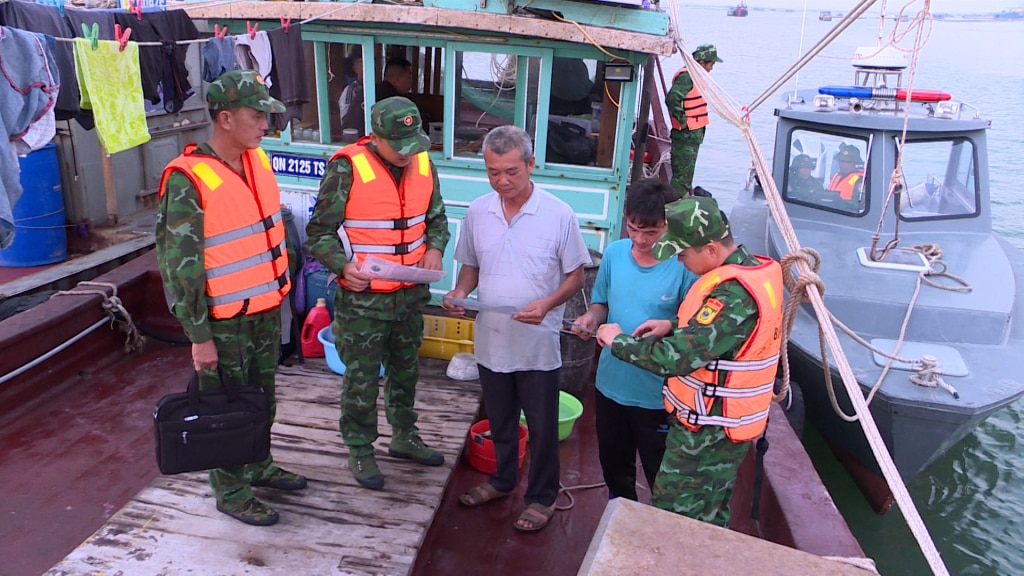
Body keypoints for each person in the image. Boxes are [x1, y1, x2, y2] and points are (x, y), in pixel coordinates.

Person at [155, 70, 307, 527]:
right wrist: (199, 337)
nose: (266, 124)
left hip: (263, 310)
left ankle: (258, 464)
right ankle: (232, 491)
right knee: (226, 407)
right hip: (222, 322)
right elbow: (179, 267)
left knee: (261, 400)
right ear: (224, 118)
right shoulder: (187, 179)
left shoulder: (256, 160)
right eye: (256, 115)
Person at [595, 196, 783, 528]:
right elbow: (719, 340)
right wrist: (672, 325)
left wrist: (616, 340)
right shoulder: (751, 270)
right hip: (724, 428)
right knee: (711, 512)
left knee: (675, 519)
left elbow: (676, 358)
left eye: (682, 254)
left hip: (708, 434)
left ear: (710, 249)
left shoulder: (732, 296)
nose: (680, 262)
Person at [444, 125, 591, 533]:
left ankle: (542, 497)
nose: (502, 181)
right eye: (493, 172)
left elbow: (575, 278)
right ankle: (503, 481)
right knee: (501, 421)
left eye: (511, 171)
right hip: (491, 340)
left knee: (543, 428)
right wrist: (459, 291)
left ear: (531, 164)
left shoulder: (558, 214)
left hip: (537, 345)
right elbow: (471, 267)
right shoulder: (478, 211)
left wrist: (546, 304)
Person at [306, 96, 450, 491]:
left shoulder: (422, 161)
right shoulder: (346, 168)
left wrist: (435, 249)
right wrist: (342, 267)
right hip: (364, 299)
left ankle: (404, 436)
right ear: (376, 136)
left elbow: (436, 218)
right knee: (362, 377)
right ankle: (360, 447)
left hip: (410, 295)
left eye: (412, 144)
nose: (407, 154)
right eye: (398, 145)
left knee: (406, 372)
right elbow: (318, 233)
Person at [570, 178, 698, 502]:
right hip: (611, 385)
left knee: (660, 473)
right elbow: (601, 305)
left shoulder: (684, 266)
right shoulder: (614, 254)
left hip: (658, 397)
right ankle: (619, 515)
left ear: (669, 225)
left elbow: (691, 327)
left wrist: (668, 325)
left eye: (651, 233)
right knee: (615, 467)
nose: (640, 239)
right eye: (633, 228)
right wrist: (591, 319)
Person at [667, 44, 722, 198]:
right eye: (711, 64)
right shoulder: (687, 77)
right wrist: (682, 120)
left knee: (685, 176)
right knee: (682, 179)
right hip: (686, 135)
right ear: (702, 63)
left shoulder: (695, 75)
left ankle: (671, 207)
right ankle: (669, 209)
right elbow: (672, 97)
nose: (712, 68)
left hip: (692, 135)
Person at [338, 48, 365, 136]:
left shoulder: (376, 88)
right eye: (362, 64)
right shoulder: (351, 90)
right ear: (355, 68)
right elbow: (347, 121)